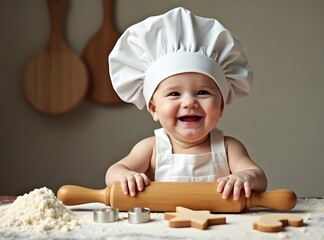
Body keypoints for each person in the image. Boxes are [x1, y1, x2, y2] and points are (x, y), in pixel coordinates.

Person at [105, 7, 267, 201]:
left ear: (221, 105)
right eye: (174, 93)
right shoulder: (152, 148)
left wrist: (246, 177)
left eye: (202, 92)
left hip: (218, 227)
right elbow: (113, 172)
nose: (189, 102)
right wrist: (126, 176)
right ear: (154, 108)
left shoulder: (228, 148)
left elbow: (259, 177)